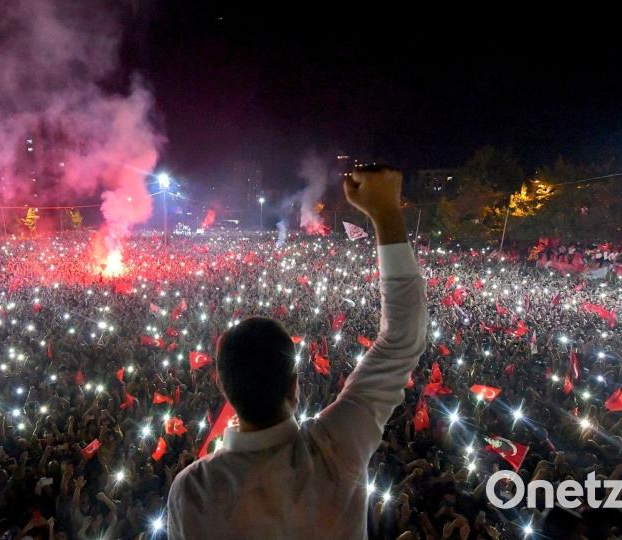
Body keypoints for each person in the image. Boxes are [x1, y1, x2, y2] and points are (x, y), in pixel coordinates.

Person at [166, 166, 427, 539]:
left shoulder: (193, 490)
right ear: (294, 383)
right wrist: (385, 212)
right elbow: (403, 337)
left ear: (223, 387)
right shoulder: (337, 448)